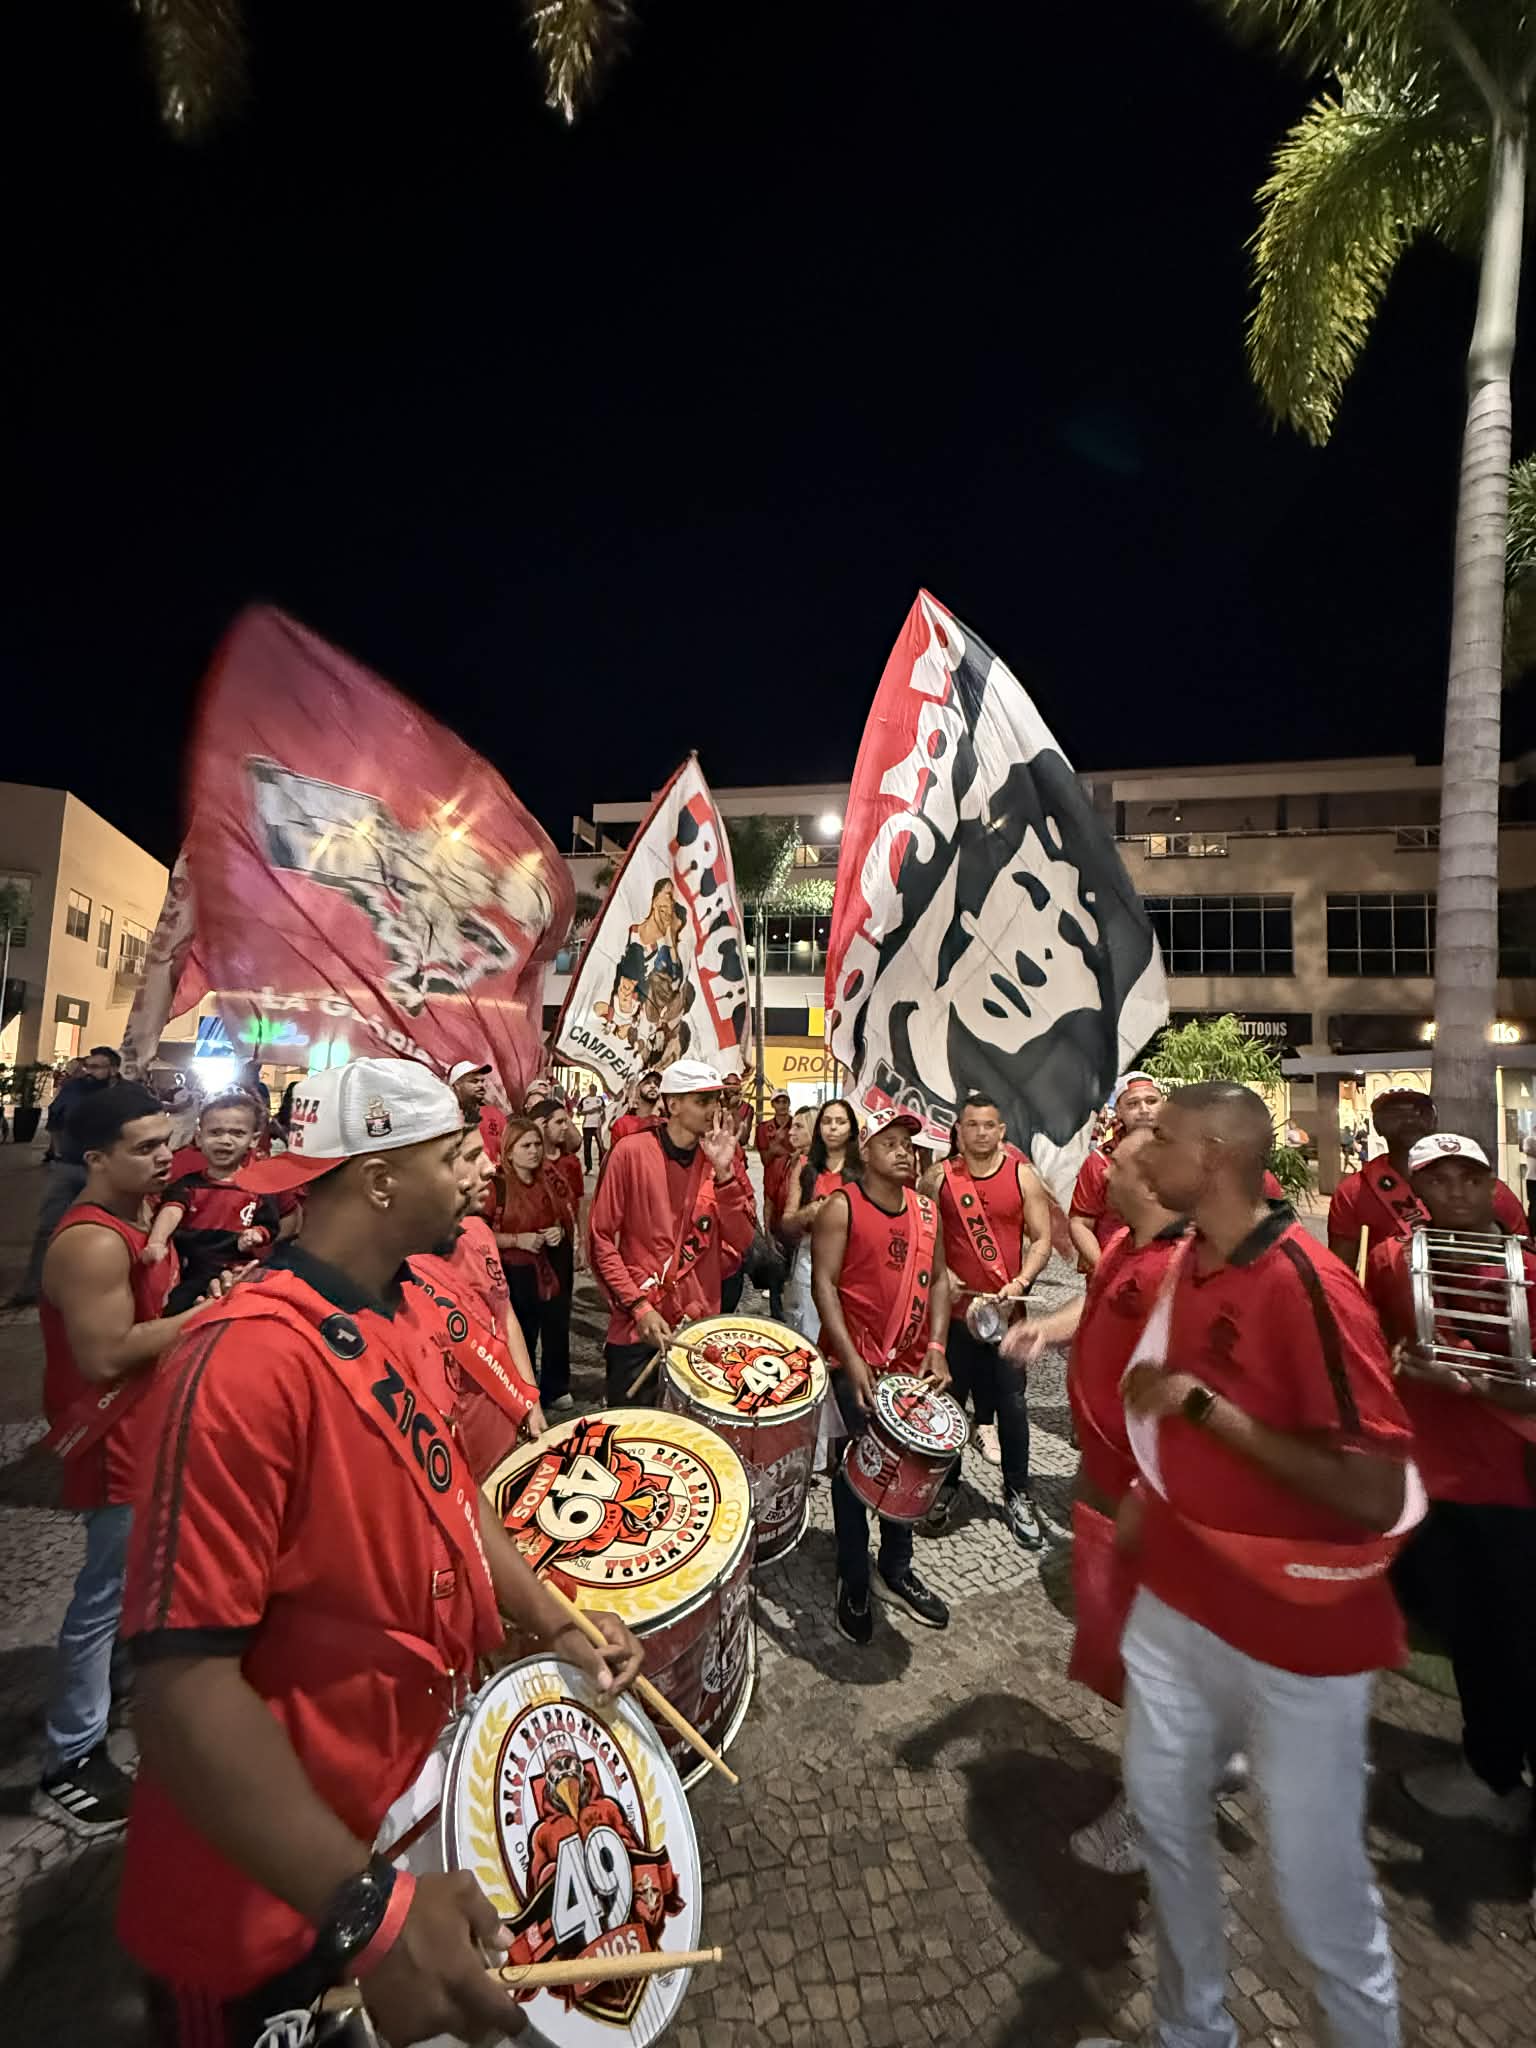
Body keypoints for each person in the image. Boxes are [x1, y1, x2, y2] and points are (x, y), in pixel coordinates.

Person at [116, 1056, 642, 2048]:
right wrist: (367, 1910)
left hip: (381, 1822)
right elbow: (182, 1693)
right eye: (453, 1155)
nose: (474, 1170)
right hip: (266, 1896)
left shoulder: (399, 1308)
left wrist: (560, 1623)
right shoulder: (238, 1361)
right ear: (380, 1177)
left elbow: (453, 1497)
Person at [1074, 1081, 1413, 2048]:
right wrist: (1151, 1497)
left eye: (1164, 1143)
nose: (1140, 1160)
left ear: (1216, 1158)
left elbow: (1376, 1492)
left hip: (1300, 1637)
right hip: (1184, 1607)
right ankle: (1193, 2031)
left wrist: (1203, 1411)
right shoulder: (1190, 1261)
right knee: (1166, 1827)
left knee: (1318, 1897)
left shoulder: (1309, 1280)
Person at [34, 1084, 225, 1832]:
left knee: (143, 1592)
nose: (165, 1157)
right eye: (145, 1147)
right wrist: (208, 1314)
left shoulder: (135, 1219)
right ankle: (70, 1758)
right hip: (116, 1444)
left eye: (165, 1141)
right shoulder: (91, 1241)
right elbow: (108, 1354)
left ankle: (116, 1725)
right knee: (102, 1601)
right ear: (94, 1158)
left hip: (153, 1432)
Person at [1006, 1124, 1188, 1874]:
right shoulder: (1126, 1245)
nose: (1099, 1169)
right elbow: (1099, 1306)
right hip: (1109, 1481)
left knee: (1152, 1660)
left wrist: (1156, 1490)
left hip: (1148, 1496)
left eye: (1115, 1162)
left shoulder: (1184, 1269)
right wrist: (1045, 1332)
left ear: (1150, 1183)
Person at [1364, 1132, 1536, 1854]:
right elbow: (1376, 1339)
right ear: (1417, 1188)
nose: (1457, 1192)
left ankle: (1499, 1772)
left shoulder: (1528, 1268)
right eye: (1439, 1180)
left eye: (1471, 1178)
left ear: (1495, 1183)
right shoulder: (1393, 1260)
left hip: (1513, 1485)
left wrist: (1462, 1379)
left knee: (1515, 1636)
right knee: (1464, 1630)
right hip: (1429, 1477)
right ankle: (1490, 1765)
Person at [811, 1107, 954, 1643]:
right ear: (864, 1151)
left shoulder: (926, 1212)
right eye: (890, 1142)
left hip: (910, 1367)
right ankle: (852, 1577)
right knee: (858, 1472)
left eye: (908, 1144)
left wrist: (937, 1346)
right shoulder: (841, 1208)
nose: (904, 1151)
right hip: (856, 1364)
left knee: (911, 1470)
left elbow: (939, 1280)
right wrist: (849, 1359)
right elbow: (824, 1286)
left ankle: (895, 1567)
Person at [923, 1094, 1052, 1549]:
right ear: (957, 1131)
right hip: (954, 1318)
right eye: (971, 1125)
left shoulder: (1021, 1177)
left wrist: (1019, 1282)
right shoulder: (937, 1178)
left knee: (1013, 1408)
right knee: (948, 1406)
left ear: (1002, 1131)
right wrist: (945, 1273)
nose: (980, 1133)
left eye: (988, 1125)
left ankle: (1018, 1491)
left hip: (1006, 1315)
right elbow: (923, 1235)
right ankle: (946, 1486)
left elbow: (1042, 1239)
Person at [587, 1058, 755, 1407]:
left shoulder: (723, 1156)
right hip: (639, 1321)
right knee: (633, 1435)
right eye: (702, 1100)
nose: (713, 1110)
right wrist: (637, 1306)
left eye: (716, 1101)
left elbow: (743, 1240)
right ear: (673, 1104)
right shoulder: (630, 1152)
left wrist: (725, 1175)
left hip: (698, 1326)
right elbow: (601, 1238)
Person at [406, 1115, 544, 1475]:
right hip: (455, 1462)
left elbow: (505, 1315)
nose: (490, 1167)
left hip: (506, 1429)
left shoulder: (479, 1232)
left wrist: (529, 1399)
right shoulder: (396, 1264)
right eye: (470, 1157)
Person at [1328, 1086, 1526, 1265]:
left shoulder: (1488, 1191)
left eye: (1420, 1112)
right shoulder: (1354, 1191)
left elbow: (1524, 1259)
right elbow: (1340, 1270)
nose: (1409, 1120)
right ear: (1377, 1126)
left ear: (1434, 1121)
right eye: (1394, 1113)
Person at [141, 1091, 295, 1314]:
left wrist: (257, 1235)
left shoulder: (259, 1188)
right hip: (191, 1269)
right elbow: (172, 1209)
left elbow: (270, 1225)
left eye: (237, 1133)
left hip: (238, 1270)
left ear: (253, 1139)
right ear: (199, 1137)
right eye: (216, 1132)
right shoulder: (188, 1184)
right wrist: (157, 1241)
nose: (225, 1140)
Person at [11, 1045, 122, 1305]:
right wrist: (59, 1152)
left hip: (108, 1172)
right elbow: (56, 1119)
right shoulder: (74, 1088)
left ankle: (96, 1288)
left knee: (108, 1228)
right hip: (70, 1167)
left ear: (113, 1069)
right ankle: (32, 1289)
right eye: (88, 1066)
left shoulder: (127, 1093)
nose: (89, 1072)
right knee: (49, 1226)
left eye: (97, 1067)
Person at [494, 1112, 577, 1414]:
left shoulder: (551, 1177)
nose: (533, 1151)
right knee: (523, 1330)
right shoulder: (496, 1185)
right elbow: (479, 1233)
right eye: (525, 1145)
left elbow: (566, 1211)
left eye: (536, 1144)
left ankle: (556, 1386)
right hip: (515, 1269)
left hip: (553, 1262)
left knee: (557, 1325)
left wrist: (559, 1229)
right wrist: (518, 1240)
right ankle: (523, 1390)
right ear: (509, 1150)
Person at [779, 1098, 861, 1337]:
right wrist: (810, 1213)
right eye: (827, 1122)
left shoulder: (863, 1171)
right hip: (810, 1261)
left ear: (851, 1129)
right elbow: (786, 1224)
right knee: (809, 1337)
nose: (833, 1128)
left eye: (840, 1122)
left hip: (852, 1263)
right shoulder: (805, 1167)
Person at [1068, 1072, 1163, 1270]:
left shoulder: (1185, 1156)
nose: (1144, 1110)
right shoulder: (1100, 1162)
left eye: (1152, 1101)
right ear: (1118, 1111)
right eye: (1133, 1104)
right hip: (1114, 1276)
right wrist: (1104, 1269)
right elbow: (1080, 1224)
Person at [448, 1057, 506, 1207]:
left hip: (491, 1187)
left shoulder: (494, 1114)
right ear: (456, 1085)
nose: (481, 1085)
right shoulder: (443, 1118)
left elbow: (507, 1149)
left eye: (482, 1081)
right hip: (458, 1191)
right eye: (474, 1082)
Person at [610, 1068, 664, 1143]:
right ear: (637, 1089)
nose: (653, 1086)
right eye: (647, 1083)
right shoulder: (623, 1124)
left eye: (657, 1083)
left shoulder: (666, 1124)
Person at [755, 1090, 795, 1166]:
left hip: (793, 1174)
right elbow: (765, 1161)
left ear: (789, 1103)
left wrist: (783, 1151)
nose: (782, 1105)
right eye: (778, 1102)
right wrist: (775, 1145)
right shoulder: (762, 1128)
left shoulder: (798, 1125)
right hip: (772, 1176)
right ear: (772, 1105)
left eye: (784, 1102)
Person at [576, 1080, 606, 1172]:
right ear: (589, 1089)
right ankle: (588, 1167)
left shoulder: (600, 1099)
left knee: (601, 1146)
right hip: (587, 1126)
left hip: (598, 1126)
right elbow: (578, 1113)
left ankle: (602, 1165)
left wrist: (602, 1113)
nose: (593, 1090)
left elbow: (605, 1111)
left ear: (596, 1090)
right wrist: (590, 1111)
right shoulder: (584, 1100)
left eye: (595, 1089)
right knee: (587, 1147)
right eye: (592, 1089)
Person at [720, 1069, 756, 1143]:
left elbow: (743, 1139)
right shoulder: (716, 1105)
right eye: (728, 1084)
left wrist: (733, 1109)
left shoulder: (747, 1108)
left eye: (735, 1084)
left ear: (740, 1087)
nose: (731, 1088)